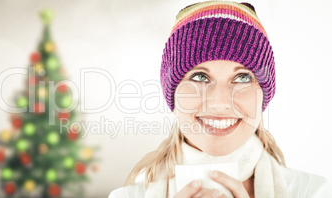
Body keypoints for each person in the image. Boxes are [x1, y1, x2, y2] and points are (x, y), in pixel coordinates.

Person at [109, 1, 332, 197]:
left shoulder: (316, 192)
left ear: (264, 93)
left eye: (242, 78)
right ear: (173, 93)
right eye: (199, 76)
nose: (220, 102)